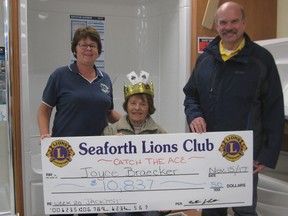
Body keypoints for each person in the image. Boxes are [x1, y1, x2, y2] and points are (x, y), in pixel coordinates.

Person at [183, 2, 285, 216]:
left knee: (245, 210)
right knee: (212, 210)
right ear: (217, 25)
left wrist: (266, 155)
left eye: (234, 21)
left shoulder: (261, 61)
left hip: (246, 156)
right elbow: (191, 95)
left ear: (244, 23)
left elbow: (274, 110)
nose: (228, 27)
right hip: (210, 155)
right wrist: (194, 115)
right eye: (223, 22)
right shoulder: (205, 60)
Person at [38, 26, 121, 216]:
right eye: (83, 45)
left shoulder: (105, 79)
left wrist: (133, 125)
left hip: (95, 154)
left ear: (98, 50)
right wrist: (44, 134)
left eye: (92, 45)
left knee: (90, 209)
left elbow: (108, 113)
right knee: (62, 209)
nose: (88, 49)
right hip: (63, 152)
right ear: (75, 49)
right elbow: (44, 110)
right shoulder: (60, 75)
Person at [103, 71, 166, 216]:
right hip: (119, 196)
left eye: (143, 104)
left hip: (151, 196)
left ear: (149, 108)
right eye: (133, 103)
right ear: (126, 106)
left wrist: (166, 199)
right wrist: (109, 147)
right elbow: (99, 166)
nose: (137, 108)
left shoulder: (160, 133)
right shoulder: (110, 131)